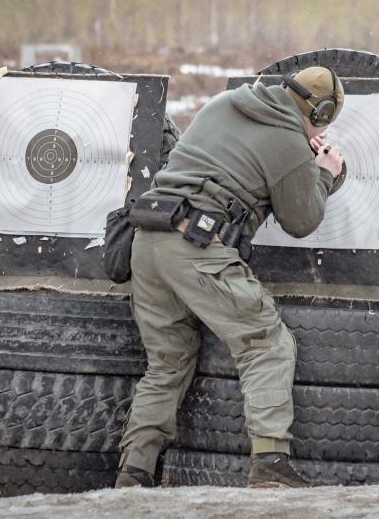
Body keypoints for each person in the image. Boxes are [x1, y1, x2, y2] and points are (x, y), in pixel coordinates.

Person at [115, 67, 346, 489]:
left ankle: (135, 470)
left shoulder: (226, 102)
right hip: (195, 245)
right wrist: (326, 172)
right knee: (266, 343)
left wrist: (298, 153)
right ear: (322, 111)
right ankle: (271, 462)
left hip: (147, 239)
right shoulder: (287, 140)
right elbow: (301, 218)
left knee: (168, 360)